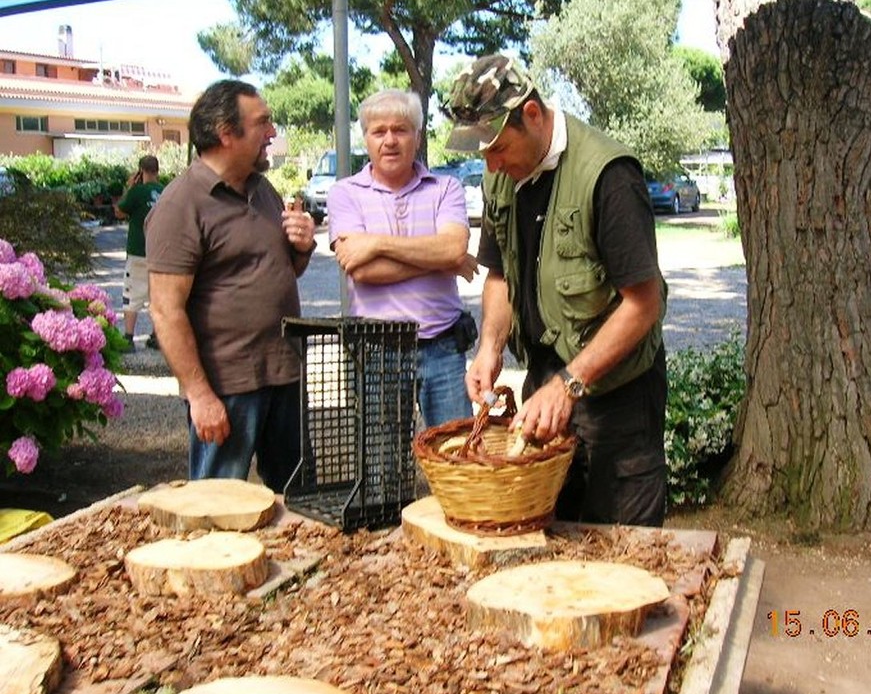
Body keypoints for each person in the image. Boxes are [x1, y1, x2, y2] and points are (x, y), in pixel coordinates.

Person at [443, 54, 669, 527]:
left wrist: (571, 383)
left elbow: (644, 304)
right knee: (549, 531)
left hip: (618, 397)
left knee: (621, 546)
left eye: (497, 147)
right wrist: (489, 348)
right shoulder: (500, 174)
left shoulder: (608, 175)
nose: (490, 162)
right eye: (482, 151)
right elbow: (500, 273)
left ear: (530, 114)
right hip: (545, 382)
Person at [145, 79, 318, 493]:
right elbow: (166, 310)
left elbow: (281, 272)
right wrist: (200, 395)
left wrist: (304, 247)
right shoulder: (180, 204)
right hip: (227, 387)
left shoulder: (262, 190)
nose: (272, 133)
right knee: (216, 506)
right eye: (263, 123)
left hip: (283, 374)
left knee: (297, 501)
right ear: (226, 133)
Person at [327, 89, 477, 427]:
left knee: (456, 462)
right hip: (377, 353)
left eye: (401, 130)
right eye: (379, 131)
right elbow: (363, 270)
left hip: (444, 349)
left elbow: (453, 248)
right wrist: (440, 258)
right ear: (365, 138)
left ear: (418, 136)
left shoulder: (446, 187)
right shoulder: (345, 193)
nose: (390, 140)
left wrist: (375, 242)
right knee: (383, 471)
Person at [115, 154, 163, 352]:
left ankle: (128, 337)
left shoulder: (137, 192)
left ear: (141, 171)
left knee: (132, 294)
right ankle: (156, 336)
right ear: (157, 171)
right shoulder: (165, 191)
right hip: (160, 253)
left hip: (137, 250)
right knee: (157, 297)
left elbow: (119, 211)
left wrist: (130, 187)